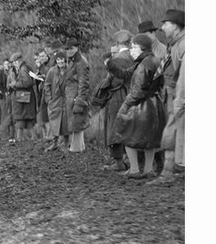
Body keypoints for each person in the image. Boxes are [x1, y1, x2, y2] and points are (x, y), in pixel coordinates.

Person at [110, 33, 166, 179]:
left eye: (134, 47)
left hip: (142, 106)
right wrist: (110, 65)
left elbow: (138, 91)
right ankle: (148, 169)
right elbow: (160, 84)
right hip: (155, 103)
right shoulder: (153, 60)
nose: (131, 50)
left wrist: (125, 105)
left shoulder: (143, 65)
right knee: (150, 139)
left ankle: (134, 169)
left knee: (126, 133)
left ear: (143, 48)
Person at [149, 9, 185, 185]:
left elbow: (185, 77)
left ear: (176, 27)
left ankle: (167, 172)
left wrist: (179, 100)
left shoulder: (184, 45)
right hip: (172, 94)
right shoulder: (174, 44)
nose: (162, 27)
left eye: (166, 24)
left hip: (178, 95)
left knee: (170, 131)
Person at [90, 30, 135, 171]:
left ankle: (119, 162)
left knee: (114, 128)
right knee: (130, 127)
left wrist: (102, 89)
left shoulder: (116, 60)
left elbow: (114, 81)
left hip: (118, 96)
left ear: (118, 43)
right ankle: (130, 159)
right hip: (132, 94)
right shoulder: (135, 56)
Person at [63, 37, 90, 153]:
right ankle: (77, 147)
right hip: (71, 96)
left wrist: (79, 101)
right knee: (74, 123)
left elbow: (83, 83)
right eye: (67, 49)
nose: (69, 51)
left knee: (77, 123)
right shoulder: (73, 60)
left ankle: (77, 148)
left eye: (71, 48)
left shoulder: (81, 62)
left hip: (76, 96)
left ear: (77, 48)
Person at [42, 50, 71, 152]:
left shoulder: (69, 70)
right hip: (55, 101)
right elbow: (47, 85)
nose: (60, 61)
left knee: (65, 122)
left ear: (65, 59)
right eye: (58, 59)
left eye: (62, 59)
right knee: (54, 121)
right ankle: (55, 143)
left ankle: (66, 143)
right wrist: (49, 99)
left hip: (66, 100)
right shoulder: (52, 71)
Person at [9, 52, 37, 142]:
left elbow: (27, 82)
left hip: (23, 96)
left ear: (18, 61)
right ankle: (32, 137)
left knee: (20, 116)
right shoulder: (26, 67)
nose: (14, 64)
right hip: (26, 96)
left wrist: (14, 84)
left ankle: (19, 138)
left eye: (14, 62)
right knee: (27, 117)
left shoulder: (23, 69)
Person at [31, 49, 50, 141]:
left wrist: (41, 76)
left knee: (46, 113)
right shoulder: (40, 67)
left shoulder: (48, 65)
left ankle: (49, 135)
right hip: (40, 92)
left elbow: (48, 77)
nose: (40, 59)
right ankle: (45, 135)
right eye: (38, 58)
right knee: (42, 113)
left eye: (42, 56)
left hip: (47, 92)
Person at [0, 58, 14, 143]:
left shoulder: (12, 72)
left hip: (12, 94)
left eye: (8, 64)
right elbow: (0, 84)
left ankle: (9, 134)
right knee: (8, 115)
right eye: (5, 64)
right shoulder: (2, 73)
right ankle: (5, 134)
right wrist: (5, 92)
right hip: (6, 95)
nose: (7, 65)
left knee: (10, 115)